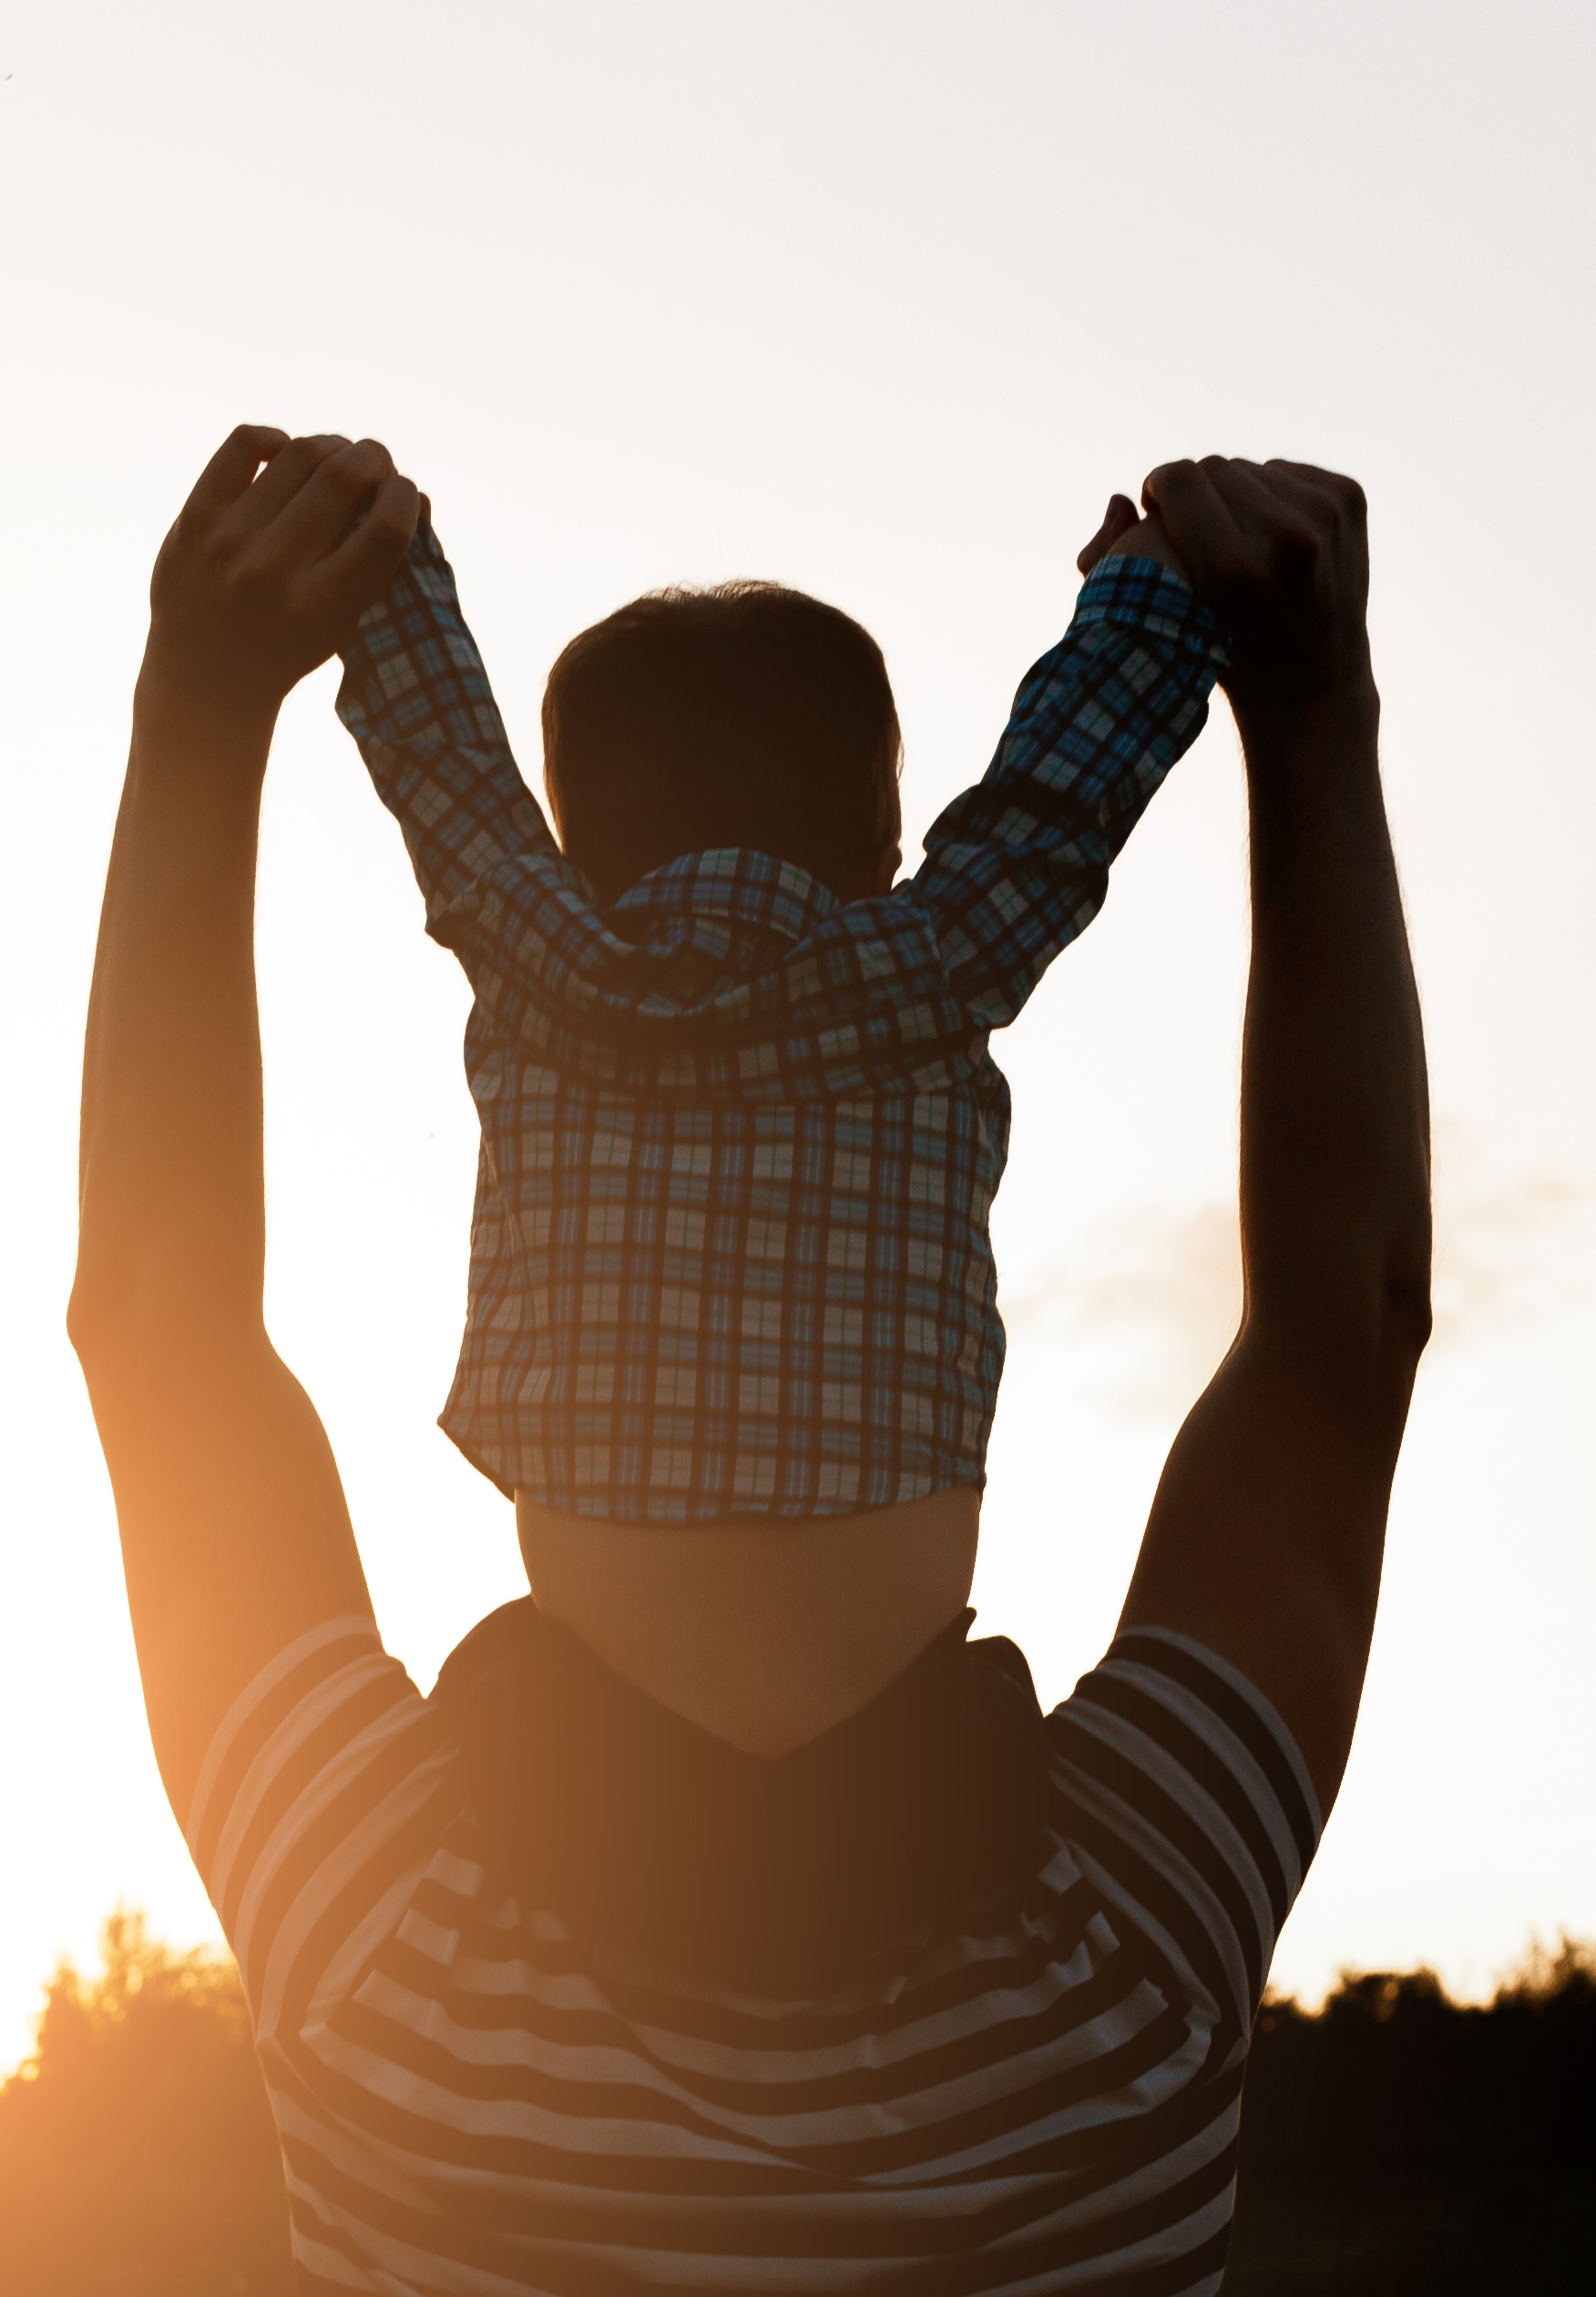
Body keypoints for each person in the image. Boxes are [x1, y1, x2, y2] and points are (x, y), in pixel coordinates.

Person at [67, 426, 1430, 2297]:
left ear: (533, 1319)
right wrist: (1310, 729)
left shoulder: (379, 1921)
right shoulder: (1130, 1935)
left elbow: (161, 1328)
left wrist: (198, 728)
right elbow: (1339, 1336)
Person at [327, 496, 1224, 1756]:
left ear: (575, 854)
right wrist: (1151, 595)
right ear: (884, 841)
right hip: (899, 1742)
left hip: (592, 1745)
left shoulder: (541, 958)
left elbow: (444, 762)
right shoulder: (937, 960)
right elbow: (1053, 809)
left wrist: (379, 551)